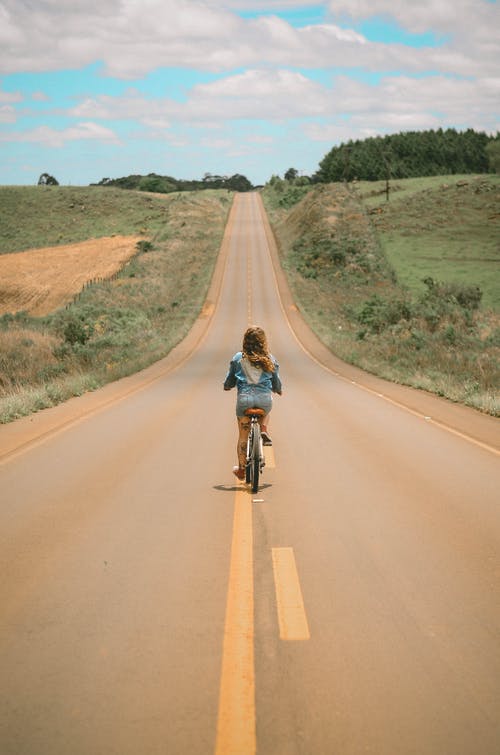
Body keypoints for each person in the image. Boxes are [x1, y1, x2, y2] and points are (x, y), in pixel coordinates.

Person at [223, 326, 282, 480]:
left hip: (245, 401)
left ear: (245, 341)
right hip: (264, 401)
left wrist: (227, 386)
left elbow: (229, 380)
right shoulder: (270, 359)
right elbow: (276, 382)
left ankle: (242, 469)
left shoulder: (238, 358)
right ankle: (263, 428)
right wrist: (278, 389)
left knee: (243, 436)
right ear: (263, 342)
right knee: (268, 407)